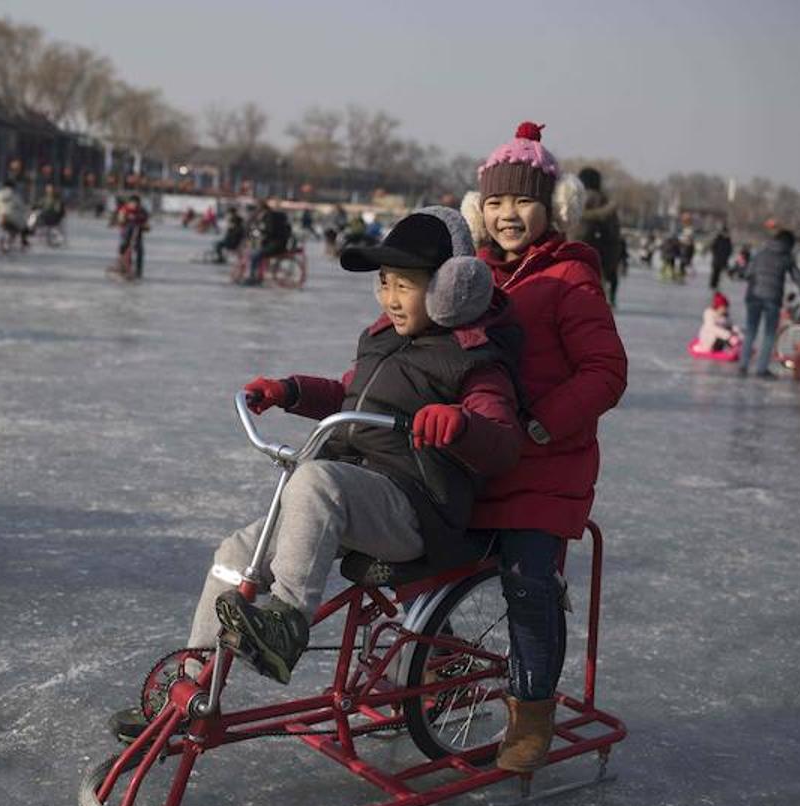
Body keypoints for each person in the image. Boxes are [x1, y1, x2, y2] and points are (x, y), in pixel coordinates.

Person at [109, 206, 525, 738]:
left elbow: (502, 440)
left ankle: (286, 623)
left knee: (315, 479)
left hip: (416, 510)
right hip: (353, 494)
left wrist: (461, 424)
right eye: (384, 283)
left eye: (407, 285)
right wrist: (292, 390)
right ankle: (191, 693)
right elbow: (348, 393)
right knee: (238, 554)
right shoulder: (383, 338)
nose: (391, 298)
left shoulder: (474, 359)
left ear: (450, 289)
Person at [470, 121, 627, 773]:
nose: (509, 215)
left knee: (529, 583)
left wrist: (541, 423)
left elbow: (605, 370)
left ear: (554, 207)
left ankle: (532, 715)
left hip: (545, 467)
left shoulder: (570, 279)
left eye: (523, 201)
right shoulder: (472, 274)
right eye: (497, 202)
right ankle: (435, 661)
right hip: (481, 458)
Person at [738, 228, 800, 378]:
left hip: (753, 297)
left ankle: (743, 365)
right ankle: (761, 369)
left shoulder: (761, 253)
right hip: (772, 299)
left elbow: (747, 273)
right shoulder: (786, 257)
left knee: (751, 332)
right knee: (769, 334)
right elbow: (799, 279)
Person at [571, 167, 621, 307]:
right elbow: (612, 234)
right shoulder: (601, 200)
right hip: (595, 256)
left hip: (567, 253)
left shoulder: (571, 198)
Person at [242, 198, 293, 285]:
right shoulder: (274, 216)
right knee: (257, 253)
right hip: (280, 243)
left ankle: (253, 278)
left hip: (275, 245)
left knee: (254, 256)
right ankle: (259, 275)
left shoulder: (269, 216)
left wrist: (259, 234)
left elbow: (269, 231)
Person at [115, 194, 149, 278]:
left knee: (139, 250)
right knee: (124, 247)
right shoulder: (124, 209)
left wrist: (144, 226)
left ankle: (138, 270)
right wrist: (125, 219)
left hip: (137, 233)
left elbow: (146, 224)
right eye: (133, 203)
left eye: (136, 203)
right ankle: (124, 266)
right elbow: (120, 220)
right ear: (129, 203)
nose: (134, 205)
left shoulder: (142, 211)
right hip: (126, 233)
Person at [0, 180, 31, 249]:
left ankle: (2, 240)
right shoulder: (14, 195)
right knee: (24, 226)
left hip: (1, 217)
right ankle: (23, 241)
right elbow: (21, 206)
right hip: (13, 217)